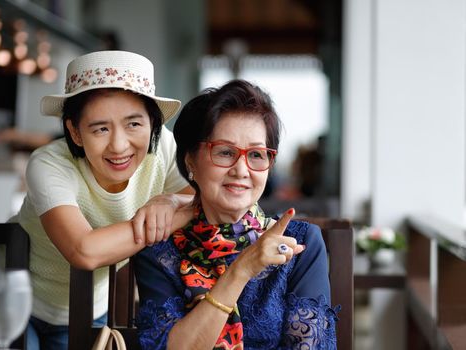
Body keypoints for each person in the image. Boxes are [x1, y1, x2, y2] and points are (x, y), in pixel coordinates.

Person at [0, 50, 194, 350]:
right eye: (100, 128)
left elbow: (196, 199)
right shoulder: (48, 164)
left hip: (85, 306)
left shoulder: (164, 147)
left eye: (134, 124)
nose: (119, 145)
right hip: (6, 292)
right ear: (74, 131)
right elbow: (83, 250)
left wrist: (171, 201)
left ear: (153, 122)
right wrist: (176, 211)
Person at [134, 80, 338, 349]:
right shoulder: (160, 251)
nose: (241, 169)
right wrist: (241, 270)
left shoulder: (300, 244)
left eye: (256, 154)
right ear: (190, 160)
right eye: (225, 152)